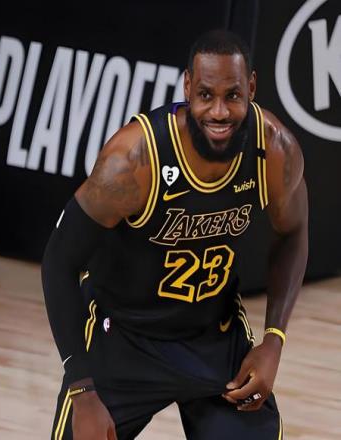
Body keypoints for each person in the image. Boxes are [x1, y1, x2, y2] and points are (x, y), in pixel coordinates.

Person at [41, 29, 308, 440]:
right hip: (124, 338)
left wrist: (273, 340)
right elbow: (60, 261)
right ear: (187, 87)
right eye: (205, 95)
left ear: (251, 88)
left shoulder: (274, 150)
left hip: (213, 338)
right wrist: (81, 387)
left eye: (233, 96)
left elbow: (294, 233)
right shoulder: (135, 159)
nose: (219, 111)